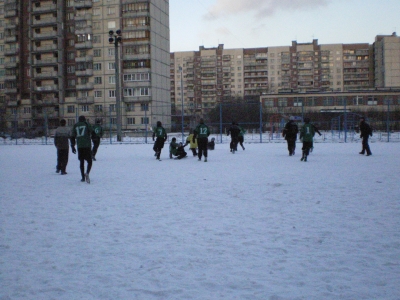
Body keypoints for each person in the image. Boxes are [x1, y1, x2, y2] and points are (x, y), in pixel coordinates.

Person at [70, 116, 95, 183]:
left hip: (79, 145)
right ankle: (87, 172)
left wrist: (72, 146)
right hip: (87, 145)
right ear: (84, 120)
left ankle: (82, 177)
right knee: (89, 161)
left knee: (81, 161)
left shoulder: (75, 125)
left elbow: (72, 136)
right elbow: (92, 131)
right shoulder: (86, 124)